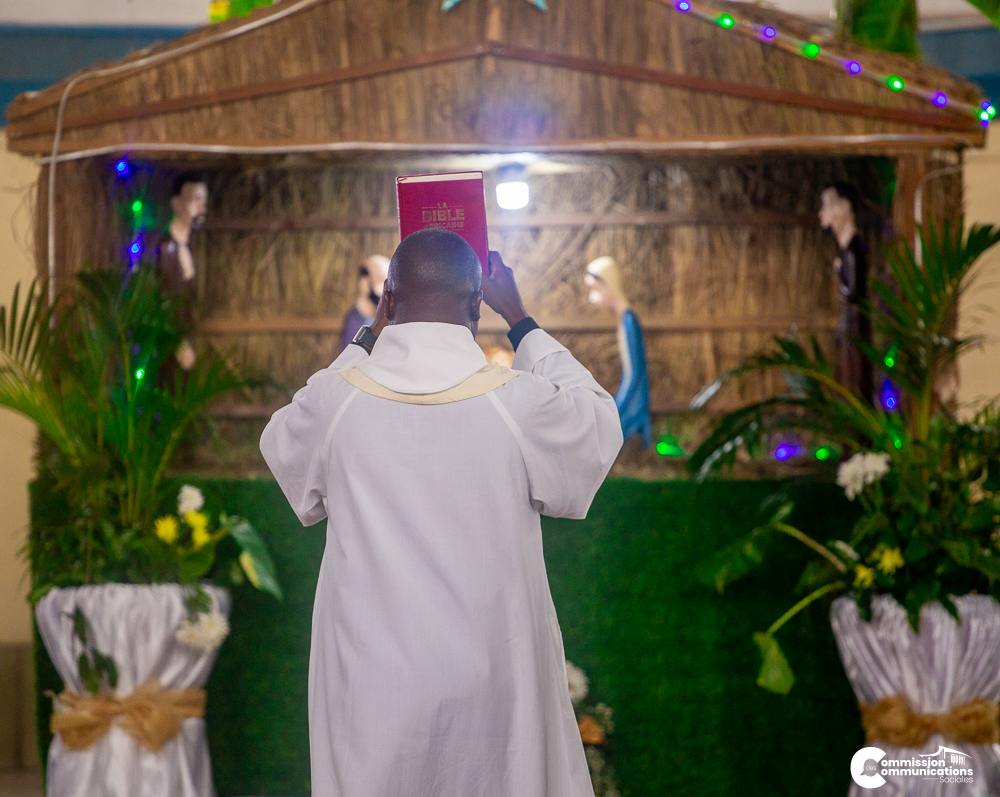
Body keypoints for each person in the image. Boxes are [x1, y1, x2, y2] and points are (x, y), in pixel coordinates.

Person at [260, 228, 623, 797]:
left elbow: (284, 438)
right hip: (493, 687)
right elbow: (598, 422)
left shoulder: (337, 403)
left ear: (389, 300)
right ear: (478, 306)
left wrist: (366, 336)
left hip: (372, 691)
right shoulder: (515, 403)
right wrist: (520, 318)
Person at [584, 256, 653, 448]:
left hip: (635, 408)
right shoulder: (625, 319)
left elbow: (635, 373)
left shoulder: (629, 321)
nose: (592, 297)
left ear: (607, 285)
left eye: (596, 288)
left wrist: (617, 408)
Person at [818, 181, 873, 404]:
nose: (822, 212)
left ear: (843, 208)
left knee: (856, 385)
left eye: (827, 205)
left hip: (856, 335)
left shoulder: (854, 250)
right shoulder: (847, 250)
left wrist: (840, 271)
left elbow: (854, 292)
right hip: (850, 335)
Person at [155, 172, 208, 371]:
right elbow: (162, 298)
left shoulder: (195, 246)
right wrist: (176, 341)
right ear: (177, 204)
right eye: (195, 199)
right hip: (168, 343)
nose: (201, 208)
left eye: (204, 201)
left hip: (189, 336)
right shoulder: (164, 247)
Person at [339, 254, 390, 351]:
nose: (386, 288)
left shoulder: (385, 318)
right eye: (380, 278)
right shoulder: (355, 322)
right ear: (365, 281)